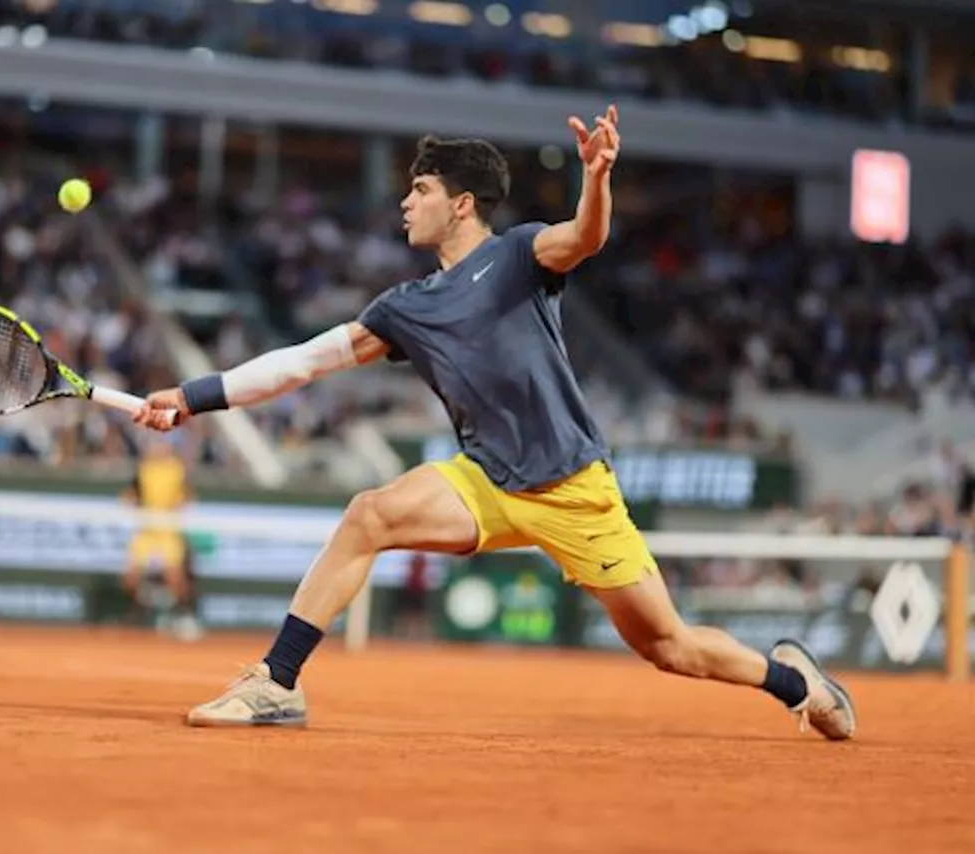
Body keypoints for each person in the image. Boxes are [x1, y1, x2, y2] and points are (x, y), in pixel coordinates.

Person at [132, 105, 856, 740]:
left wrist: (597, 176)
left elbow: (585, 237)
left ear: (462, 203)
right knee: (369, 516)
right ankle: (277, 683)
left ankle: (798, 683)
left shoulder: (517, 255)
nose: (405, 202)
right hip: (485, 481)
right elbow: (301, 363)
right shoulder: (403, 308)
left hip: (576, 490)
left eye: (420, 189)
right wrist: (193, 396)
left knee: (669, 646)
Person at [122, 435, 200, 638]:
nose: (159, 448)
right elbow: (130, 494)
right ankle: (144, 613)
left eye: (163, 444)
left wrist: (178, 507)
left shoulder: (177, 469)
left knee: (175, 577)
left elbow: (187, 497)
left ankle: (184, 616)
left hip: (168, 530)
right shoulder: (144, 468)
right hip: (147, 530)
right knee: (131, 578)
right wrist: (130, 503)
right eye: (156, 444)